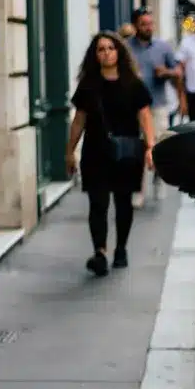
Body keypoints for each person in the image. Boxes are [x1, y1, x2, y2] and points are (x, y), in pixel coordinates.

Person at [65, 32, 156, 276]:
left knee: (123, 202)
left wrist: (150, 147)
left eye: (110, 48)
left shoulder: (133, 83)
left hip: (126, 153)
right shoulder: (88, 85)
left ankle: (121, 249)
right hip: (95, 152)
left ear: (119, 52)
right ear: (95, 56)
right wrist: (70, 151)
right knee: (98, 204)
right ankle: (100, 252)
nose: (106, 53)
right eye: (100, 49)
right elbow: (78, 121)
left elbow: (145, 116)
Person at [126, 7, 182, 206]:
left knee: (157, 148)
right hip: (132, 108)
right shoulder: (126, 48)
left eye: (150, 23)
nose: (148, 27)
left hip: (157, 105)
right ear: (135, 26)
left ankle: (159, 179)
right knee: (136, 150)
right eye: (144, 24)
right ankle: (138, 190)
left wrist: (166, 72)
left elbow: (178, 71)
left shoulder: (163, 47)